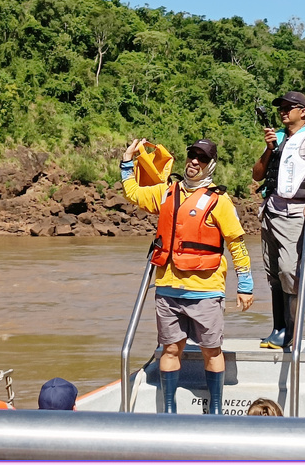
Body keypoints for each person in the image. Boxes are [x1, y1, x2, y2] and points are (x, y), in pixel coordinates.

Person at [121, 138, 254, 415]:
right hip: (168, 289)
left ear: (211, 165)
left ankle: (215, 410)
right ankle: (169, 411)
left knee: (212, 351)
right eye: (192, 155)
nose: (195, 161)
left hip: (205, 290)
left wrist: (245, 283)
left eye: (202, 158)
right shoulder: (167, 192)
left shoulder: (220, 201)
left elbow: (236, 243)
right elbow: (134, 193)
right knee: (170, 350)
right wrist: (126, 163)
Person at [252, 91, 305, 349]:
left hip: (296, 212)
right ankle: (279, 329)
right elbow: (257, 174)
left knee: (289, 270)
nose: (283, 111)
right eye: (281, 108)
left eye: (288, 107)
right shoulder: (280, 137)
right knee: (273, 274)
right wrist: (269, 149)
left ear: (302, 111)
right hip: (271, 211)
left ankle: (292, 332)